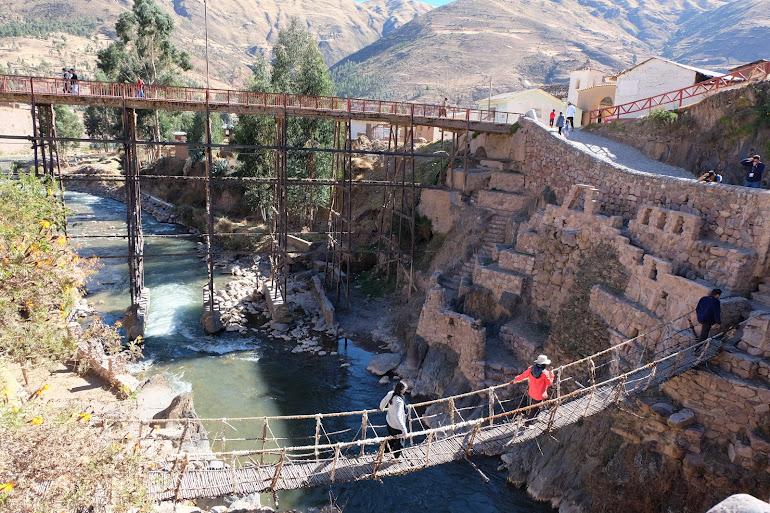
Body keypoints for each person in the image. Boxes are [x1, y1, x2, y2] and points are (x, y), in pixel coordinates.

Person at [511, 355, 555, 422]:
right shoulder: (545, 373)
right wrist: (551, 374)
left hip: (532, 391)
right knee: (536, 408)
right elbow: (549, 383)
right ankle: (528, 423)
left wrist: (515, 379)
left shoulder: (531, 369)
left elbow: (523, 376)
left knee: (535, 406)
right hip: (540, 394)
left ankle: (534, 419)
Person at [379, 380, 409, 458]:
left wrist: (381, 408)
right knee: (400, 442)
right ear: (401, 390)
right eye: (404, 389)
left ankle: (385, 452)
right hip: (397, 426)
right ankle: (396, 457)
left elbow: (384, 401)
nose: (405, 391)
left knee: (392, 438)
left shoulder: (391, 394)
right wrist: (404, 430)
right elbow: (398, 416)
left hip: (389, 422)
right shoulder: (399, 401)